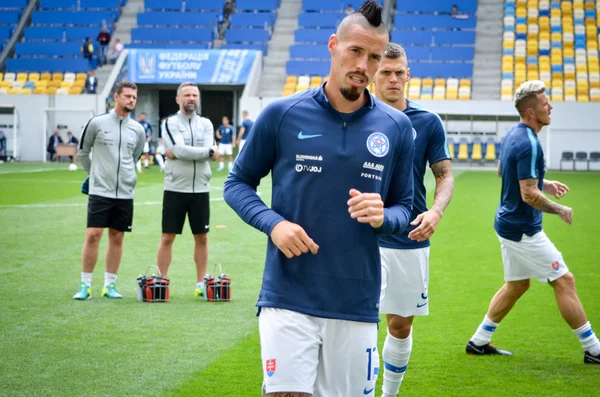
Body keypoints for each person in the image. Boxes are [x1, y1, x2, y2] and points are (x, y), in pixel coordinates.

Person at [223, 2, 415, 395]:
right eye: (355, 51)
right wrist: (273, 223)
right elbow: (237, 183)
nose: (364, 64)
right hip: (287, 293)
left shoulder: (397, 127)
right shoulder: (282, 114)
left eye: (375, 56)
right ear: (333, 46)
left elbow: (405, 208)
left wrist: (384, 216)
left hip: (356, 298)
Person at [465, 80, 600, 365]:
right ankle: (594, 349)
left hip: (507, 224)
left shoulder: (514, 134)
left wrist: (544, 184)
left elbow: (505, 171)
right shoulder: (529, 142)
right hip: (523, 230)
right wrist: (558, 208)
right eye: (544, 104)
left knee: (517, 285)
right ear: (530, 112)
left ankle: (478, 342)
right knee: (564, 280)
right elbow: (527, 194)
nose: (550, 107)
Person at [373, 43, 455, 397]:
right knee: (356, 321)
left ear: (408, 75)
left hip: (409, 236)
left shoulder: (427, 121)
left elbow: (445, 175)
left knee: (400, 325)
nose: (393, 79)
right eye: (386, 72)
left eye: (399, 72)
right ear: (374, 74)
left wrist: (435, 211)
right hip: (361, 237)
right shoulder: (355, 117)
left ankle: (388, 394)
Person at [73, 81, 145, 300]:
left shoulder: (138, 129)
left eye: (134, 97)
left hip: (125, 192)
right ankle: (85, 285)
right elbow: (83, 152)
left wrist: (126, 177)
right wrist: (93, 175)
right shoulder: (97, 123)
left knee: (117, 236)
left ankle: (109, 285)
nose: (131, 100)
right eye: (127, 96)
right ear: (116, 97)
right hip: (100, 190)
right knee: (93, 235)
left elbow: (135, 158)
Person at [156, 82, 219, 296]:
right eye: (187, 95)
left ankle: (201, 284)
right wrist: (207, 151)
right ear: (178, 99)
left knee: (202, 237)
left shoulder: (206, 124)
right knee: (167, 237)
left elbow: (182, 151)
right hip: (175, 187)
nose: (191, 98)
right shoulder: (170, 123)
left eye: (194, 95)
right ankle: (161, 282)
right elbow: (180, 149)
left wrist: (183, 151)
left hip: (201, 187)